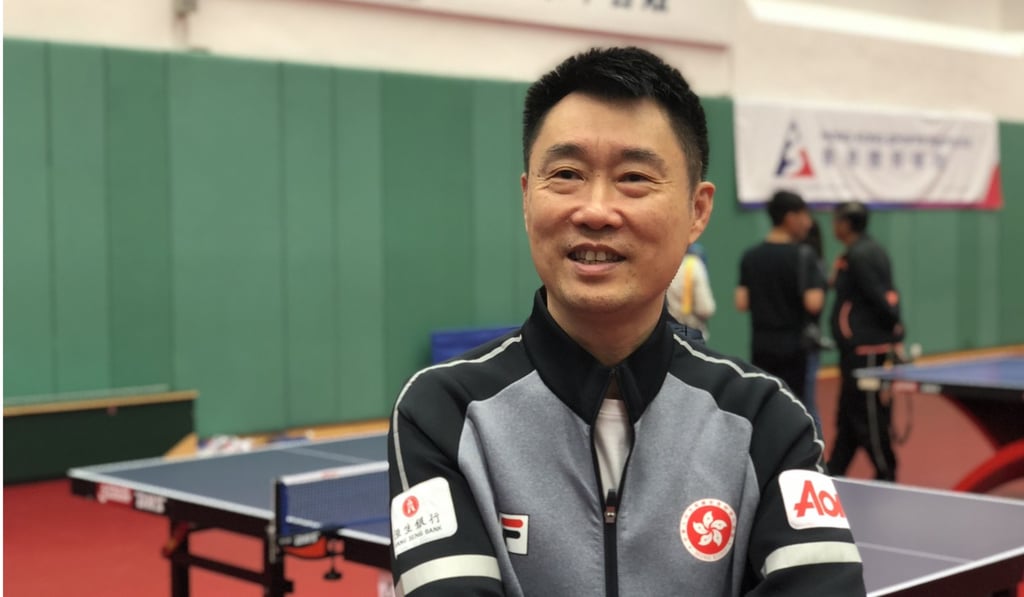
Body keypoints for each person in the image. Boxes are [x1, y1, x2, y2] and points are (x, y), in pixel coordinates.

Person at [387, 47, 865, 596]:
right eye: (566, 174)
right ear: (526, 199)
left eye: (634, 177)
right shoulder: (444, 413)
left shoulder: (767, 419)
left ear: (697, 211)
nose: (595, 210)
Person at [826, 200, 903, 482]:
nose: (833, 225)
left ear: (847, 223)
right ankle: (835, 474)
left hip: (866, 352)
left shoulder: (861, 255)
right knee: (848, 417)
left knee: (868, 419)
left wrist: (894, 333)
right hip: (856, 351)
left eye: (836, 220)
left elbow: (884, 300)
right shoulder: (861, 252)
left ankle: (887, 473)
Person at [735, 190, 826, 415]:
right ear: (790, 218)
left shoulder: (751, 256)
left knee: (767, 408)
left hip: (761, 345)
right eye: (805, 216)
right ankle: (809, 452)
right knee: (800, 411)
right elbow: (813, 303)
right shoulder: (805, 255)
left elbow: (741, 302)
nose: (808, 223)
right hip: (795, 349)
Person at [666, 243, 716, 339]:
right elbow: (705, 309)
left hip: (667, 329)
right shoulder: (694, 265)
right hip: (691, 330)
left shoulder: (667, 263)